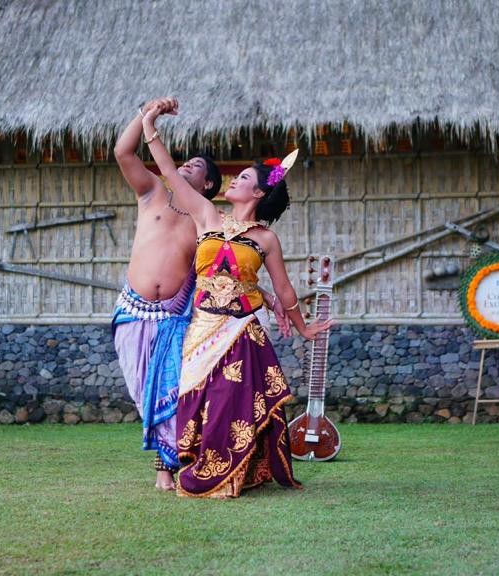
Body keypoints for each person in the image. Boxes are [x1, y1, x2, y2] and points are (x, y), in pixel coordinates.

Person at [140, 98, 334, 498]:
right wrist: (149, 125)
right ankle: (196, 466)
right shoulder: (206, 216)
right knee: (195, 401)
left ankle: (229, 475)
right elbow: (169, 175)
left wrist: (304, 327)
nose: (233, 179)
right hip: (201, 327)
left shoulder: (266, 239)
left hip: (241, 330)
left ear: (258, 191)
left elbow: (283, 290)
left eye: (242, 176)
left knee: (230, 402)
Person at [112, 98, 289, 491]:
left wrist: (273, 299)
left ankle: (167, 466)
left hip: (178, 316)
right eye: (183, 163)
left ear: (208, 185)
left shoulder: (210, 223)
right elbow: (123, 151)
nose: (186, 166)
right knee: (145, 393)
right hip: (133, 310)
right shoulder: (152, 192)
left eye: (196, 166)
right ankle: (169, 459)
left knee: (174, 388)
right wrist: (145, 117)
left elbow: (229, 271)